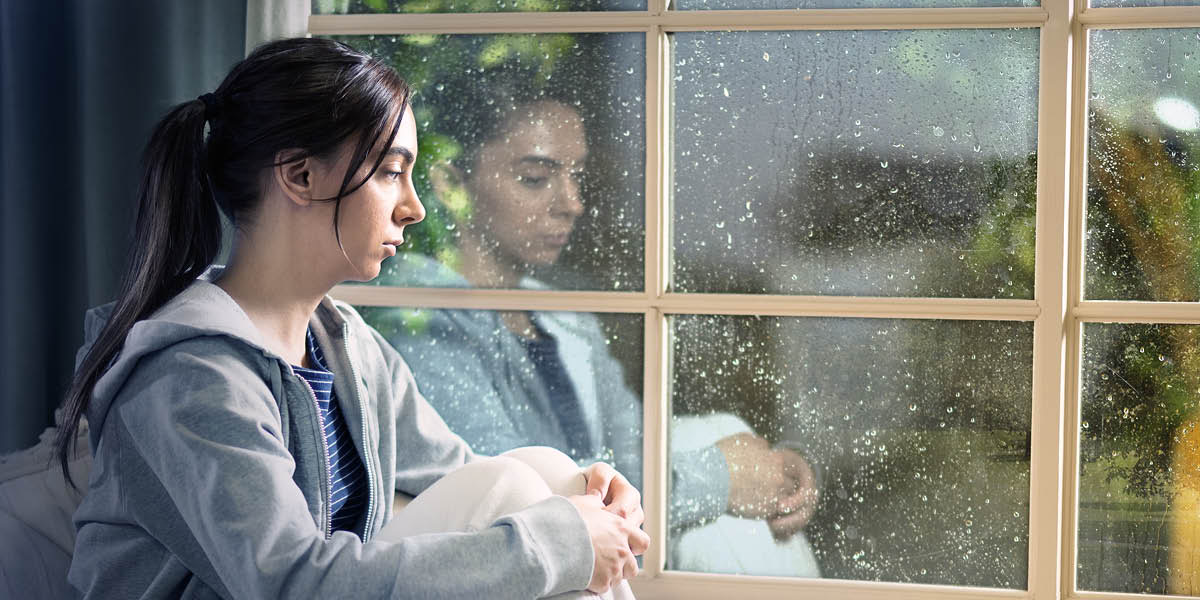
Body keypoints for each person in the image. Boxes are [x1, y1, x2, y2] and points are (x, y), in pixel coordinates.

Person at [50, 37, 648, 599]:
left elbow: (466, 480)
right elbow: (290, 583)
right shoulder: (189, 377)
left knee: (546, 475)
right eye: (391, 172)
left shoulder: (348, 349)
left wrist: (591, 499)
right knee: (533, 505)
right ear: (300, 176)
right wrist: (561, 540)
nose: (413, 208)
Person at [373, 84, 821, 577]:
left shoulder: (567, 320)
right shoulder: (417, 323)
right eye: (535, 178)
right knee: (719, 484)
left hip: (607, 540)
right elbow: (508, 498)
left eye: (577, 178)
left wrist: (775, 477)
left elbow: (631, 453)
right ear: (451, 184)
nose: (572, 204)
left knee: (721, 433)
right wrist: (722, 480)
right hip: (528, 559)